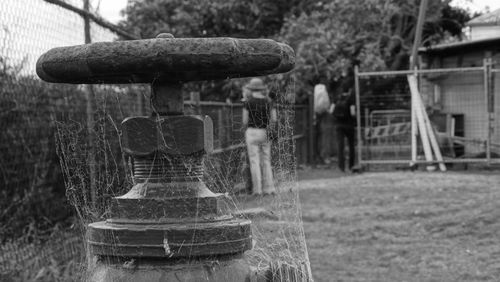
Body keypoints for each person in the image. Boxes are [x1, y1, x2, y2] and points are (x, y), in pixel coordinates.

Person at [242, 78, 277, 195]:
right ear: (262, 89)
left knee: (254, 161)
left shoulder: (248, 102)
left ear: (251, 89)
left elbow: (244, 121)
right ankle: (269, 188)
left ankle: (257, 190)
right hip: (265, 132)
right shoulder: (269, 101)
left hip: (252, 132)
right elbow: (274, 119)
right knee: (266, 160)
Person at [329, 84, 356, 172]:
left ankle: (341, 167)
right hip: (349, 125)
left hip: (339, 125)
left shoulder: (337, 98)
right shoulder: (351, 99)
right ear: (349, 90)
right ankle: (351, 166)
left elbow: (331, 111)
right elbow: (352, 113)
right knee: (351, 146)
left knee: (340, 146)